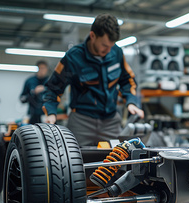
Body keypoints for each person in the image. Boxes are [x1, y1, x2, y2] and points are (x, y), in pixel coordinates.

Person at [43, 13, 144, 146]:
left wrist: (131, 101)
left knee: (117, 161)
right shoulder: (73, 57)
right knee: (77, 162)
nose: (108, 50)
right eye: (104, 45)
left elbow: (128, 80)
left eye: (111, 46)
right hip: (81, 123)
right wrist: (51, 113)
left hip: (111, 123)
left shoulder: (116, 53)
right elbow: (53, 88)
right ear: (92, 36)